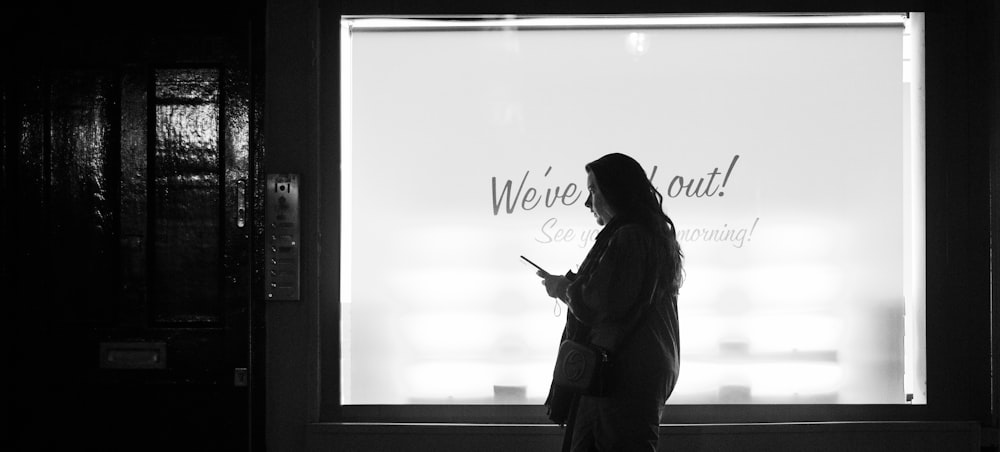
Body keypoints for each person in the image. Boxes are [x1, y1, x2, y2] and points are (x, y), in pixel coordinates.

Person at [539, 153, 683, 452]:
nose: (588, 202)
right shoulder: (652, 235)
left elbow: (599, 304)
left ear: (616, 191)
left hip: (618, 379)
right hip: (632, 375)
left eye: (593, 190)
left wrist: (564, 288)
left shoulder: (628, 237)